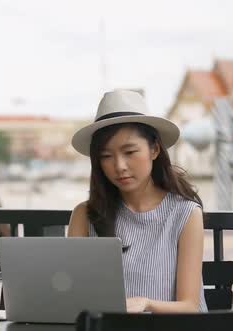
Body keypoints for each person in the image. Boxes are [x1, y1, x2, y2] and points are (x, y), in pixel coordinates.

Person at [68, 89, 207, 313]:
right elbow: (71, 293)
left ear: (154, 150)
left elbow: (190, 306)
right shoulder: (85, 216)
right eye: (106, 156)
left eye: (130, 152)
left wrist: (146, 303)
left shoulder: (186, 214)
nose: (119, 165)